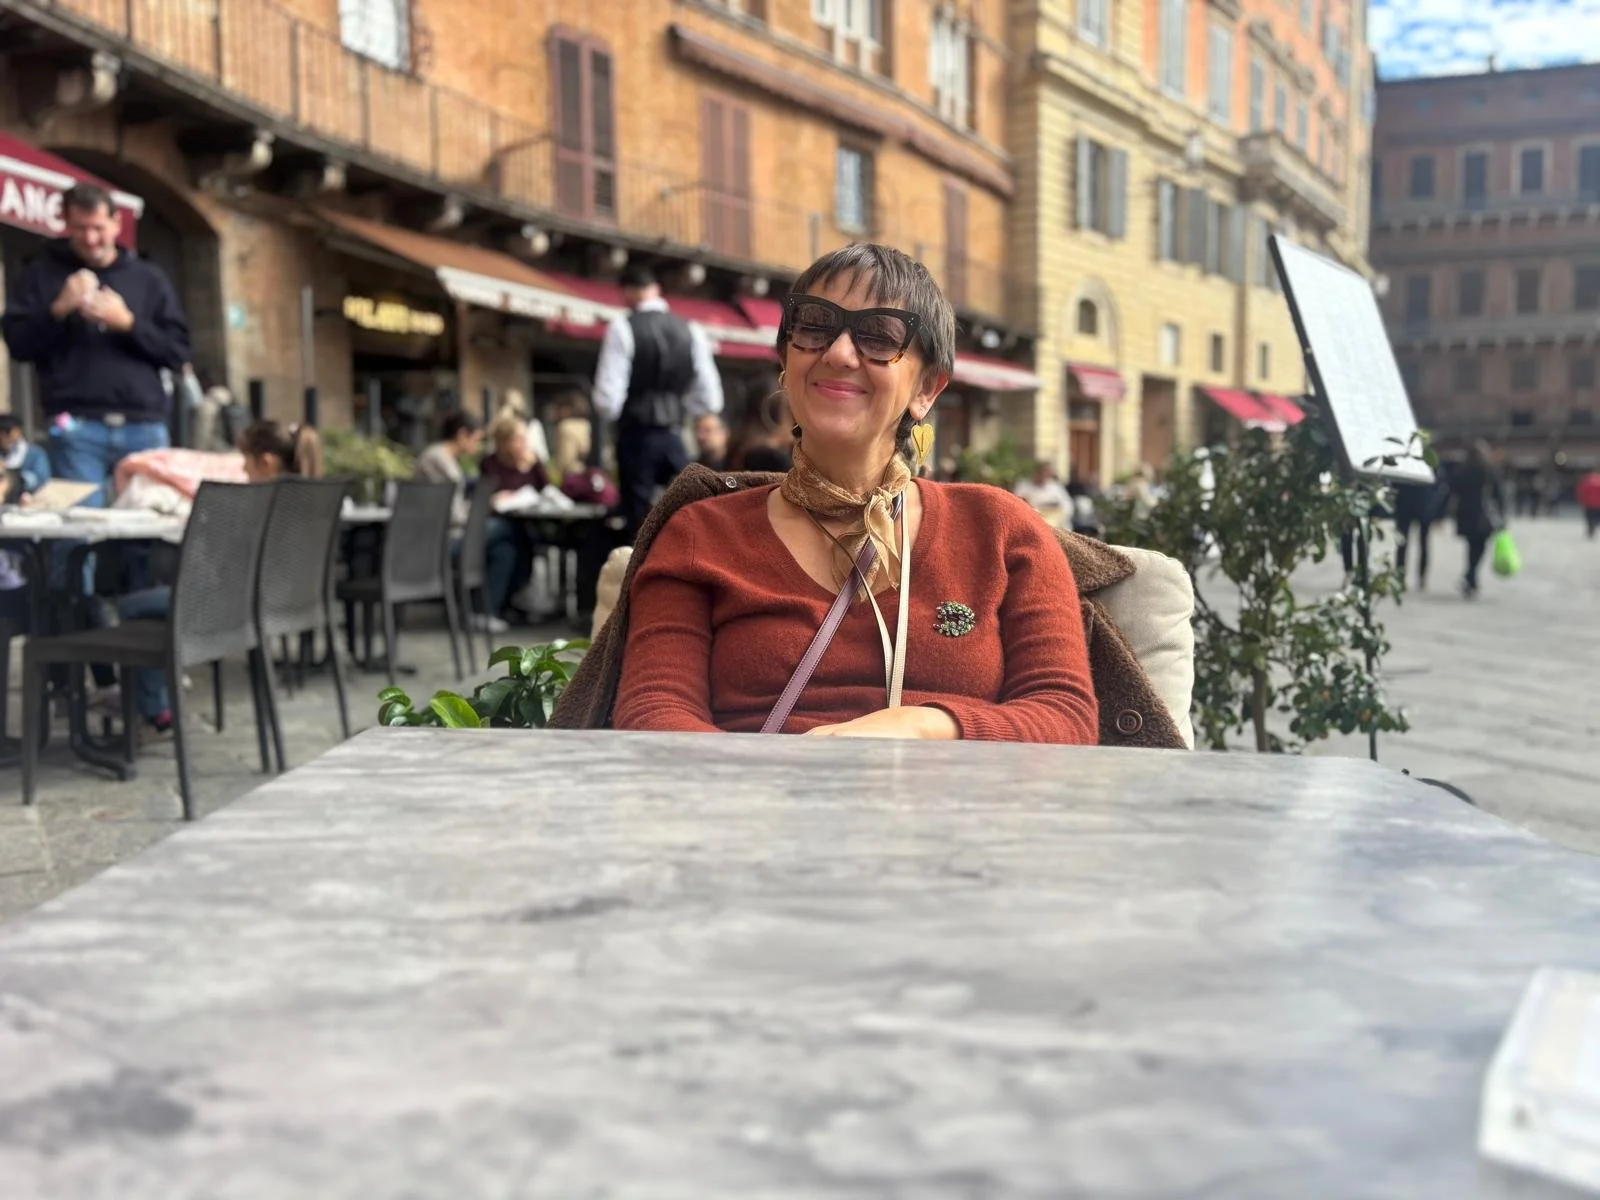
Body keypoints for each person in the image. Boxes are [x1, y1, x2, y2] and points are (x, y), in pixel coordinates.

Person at [607, 243, 1099, 742]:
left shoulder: (1002, 530)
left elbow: (1065, 717)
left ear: (927, 389)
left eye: (879, 336)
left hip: (953, 814)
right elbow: (654, 714)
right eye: (815, 326)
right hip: (752, 810)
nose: (839, 354)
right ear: (785, 360)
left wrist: (924, 726)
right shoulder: (700, 534)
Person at [0, 184, 190, 506]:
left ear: (117, 224)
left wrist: (128, 323)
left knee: (145, 533)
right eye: (80, 229)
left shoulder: (148, 278)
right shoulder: (42, 273)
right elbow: (18, 345)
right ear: (66, 225)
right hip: (75, 425)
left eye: (98, 228)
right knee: (78, 533)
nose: (90, 239)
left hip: (143, 424)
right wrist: (58, 308)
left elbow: (178, 351)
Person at [591, 263, 724, 537]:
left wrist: (612, 419)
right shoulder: (690, 329)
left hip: (635, 435)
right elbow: (710, 393)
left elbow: (607, 397)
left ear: (627, 293)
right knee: (688, 509)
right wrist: (695, 412)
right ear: (656, 290)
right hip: (675, 434)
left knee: (638, 521)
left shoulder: (623, 327)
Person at [1448, 440, 1505, 599]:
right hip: (1484, 514)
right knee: (1480, 547)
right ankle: (1471, 575)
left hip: (1466, 514)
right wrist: (1502, 515)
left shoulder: (1462, 470)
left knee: (1471, 546)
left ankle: (1470, 576)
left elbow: (1453, 490)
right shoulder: (1489, 471)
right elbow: (1498, 494)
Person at [415, 410, 484, 525]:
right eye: (476, 440)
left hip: (447, 527)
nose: (478, 446)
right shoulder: (437, 459)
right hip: (445, 532)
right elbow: (452, 512)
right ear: (462, 434)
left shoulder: (446, 458)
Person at [1392, 476, 1444, 591]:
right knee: (1422, 543)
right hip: (1423, 504)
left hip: (1405, 504)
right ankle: (1421, 577)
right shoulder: (1429, 463)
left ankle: (1401, 576)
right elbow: (1438, 485)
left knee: (1403, 543)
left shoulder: (1406, 462)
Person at [1014, 460, 1072, 525]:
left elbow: (1067, 505)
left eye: (1047, 472)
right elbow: (1018, 503)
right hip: (1033, 518)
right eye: (1042, 472)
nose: (1044, 474)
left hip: (1055, 519)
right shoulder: (1024, 486)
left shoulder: (1056, 487)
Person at [1577, 469, 1600, 539]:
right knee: (1596, 517)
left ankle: (1590, 529)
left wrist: (1581, 500)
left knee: (1589, 518)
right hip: (1598, 504)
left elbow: (1580, 492)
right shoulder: (1598, 481)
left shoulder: (1585, 482)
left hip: (1588, 503)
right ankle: (1594, 527)